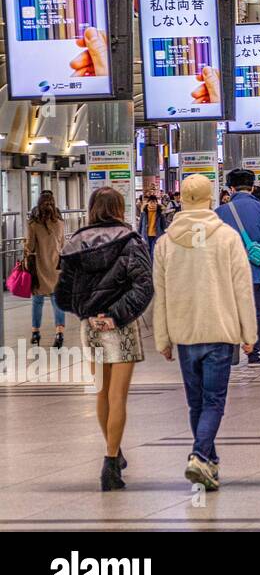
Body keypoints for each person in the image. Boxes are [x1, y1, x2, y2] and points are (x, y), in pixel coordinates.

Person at [152, 175, 257, 491]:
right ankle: (199, 455)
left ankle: (208, 465)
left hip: (185, 335)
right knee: (214, 402)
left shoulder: (166, 242)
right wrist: (249, 333)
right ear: (212, 198)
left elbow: (162, 294)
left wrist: (163, 338)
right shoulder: (226, 237)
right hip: (220, 331)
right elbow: (242, 289)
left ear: (182, 199)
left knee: (196, 403)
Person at [55, 188, 154, 491]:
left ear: (92, 208)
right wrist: (116, 314)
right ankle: (111, 460)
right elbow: (143, 285)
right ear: (120, 208)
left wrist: (89, 313)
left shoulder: (76, 243)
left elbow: (62, 294)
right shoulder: (131, 240)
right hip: (121, 326)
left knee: (102, 393)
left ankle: (113, 449)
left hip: (92, 327)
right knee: (118, 396)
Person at [217, 167, 260, 366]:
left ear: (231, 188)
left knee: (230, 312)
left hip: (229, 273)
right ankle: (254, 353)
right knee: (256, 313)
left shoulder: (220, 212)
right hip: (259, 272)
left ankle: (231, 352)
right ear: (253, 187)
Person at [25, 190, 66, 349]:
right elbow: (62, 245)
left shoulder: (33, 224)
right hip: (56, 268)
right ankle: (59, 333)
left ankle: (35, 332)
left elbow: (30, 247)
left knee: (37, 301)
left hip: (39, 269)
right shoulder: (60, 223)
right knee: (57, 302)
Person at [136, 194, 169, 258]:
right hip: (146, 235)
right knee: (147, 252)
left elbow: (164, 226)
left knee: (154, 253)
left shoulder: (160, 213)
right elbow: (140, 226)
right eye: (151, 202)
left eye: (154, 202)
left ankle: (153, 267)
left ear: (157, 203)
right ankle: (149, 266)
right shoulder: (144, 213)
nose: (152, 203)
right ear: (148, 203)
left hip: (157, 235)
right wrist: (138, 236)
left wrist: (165, 237)